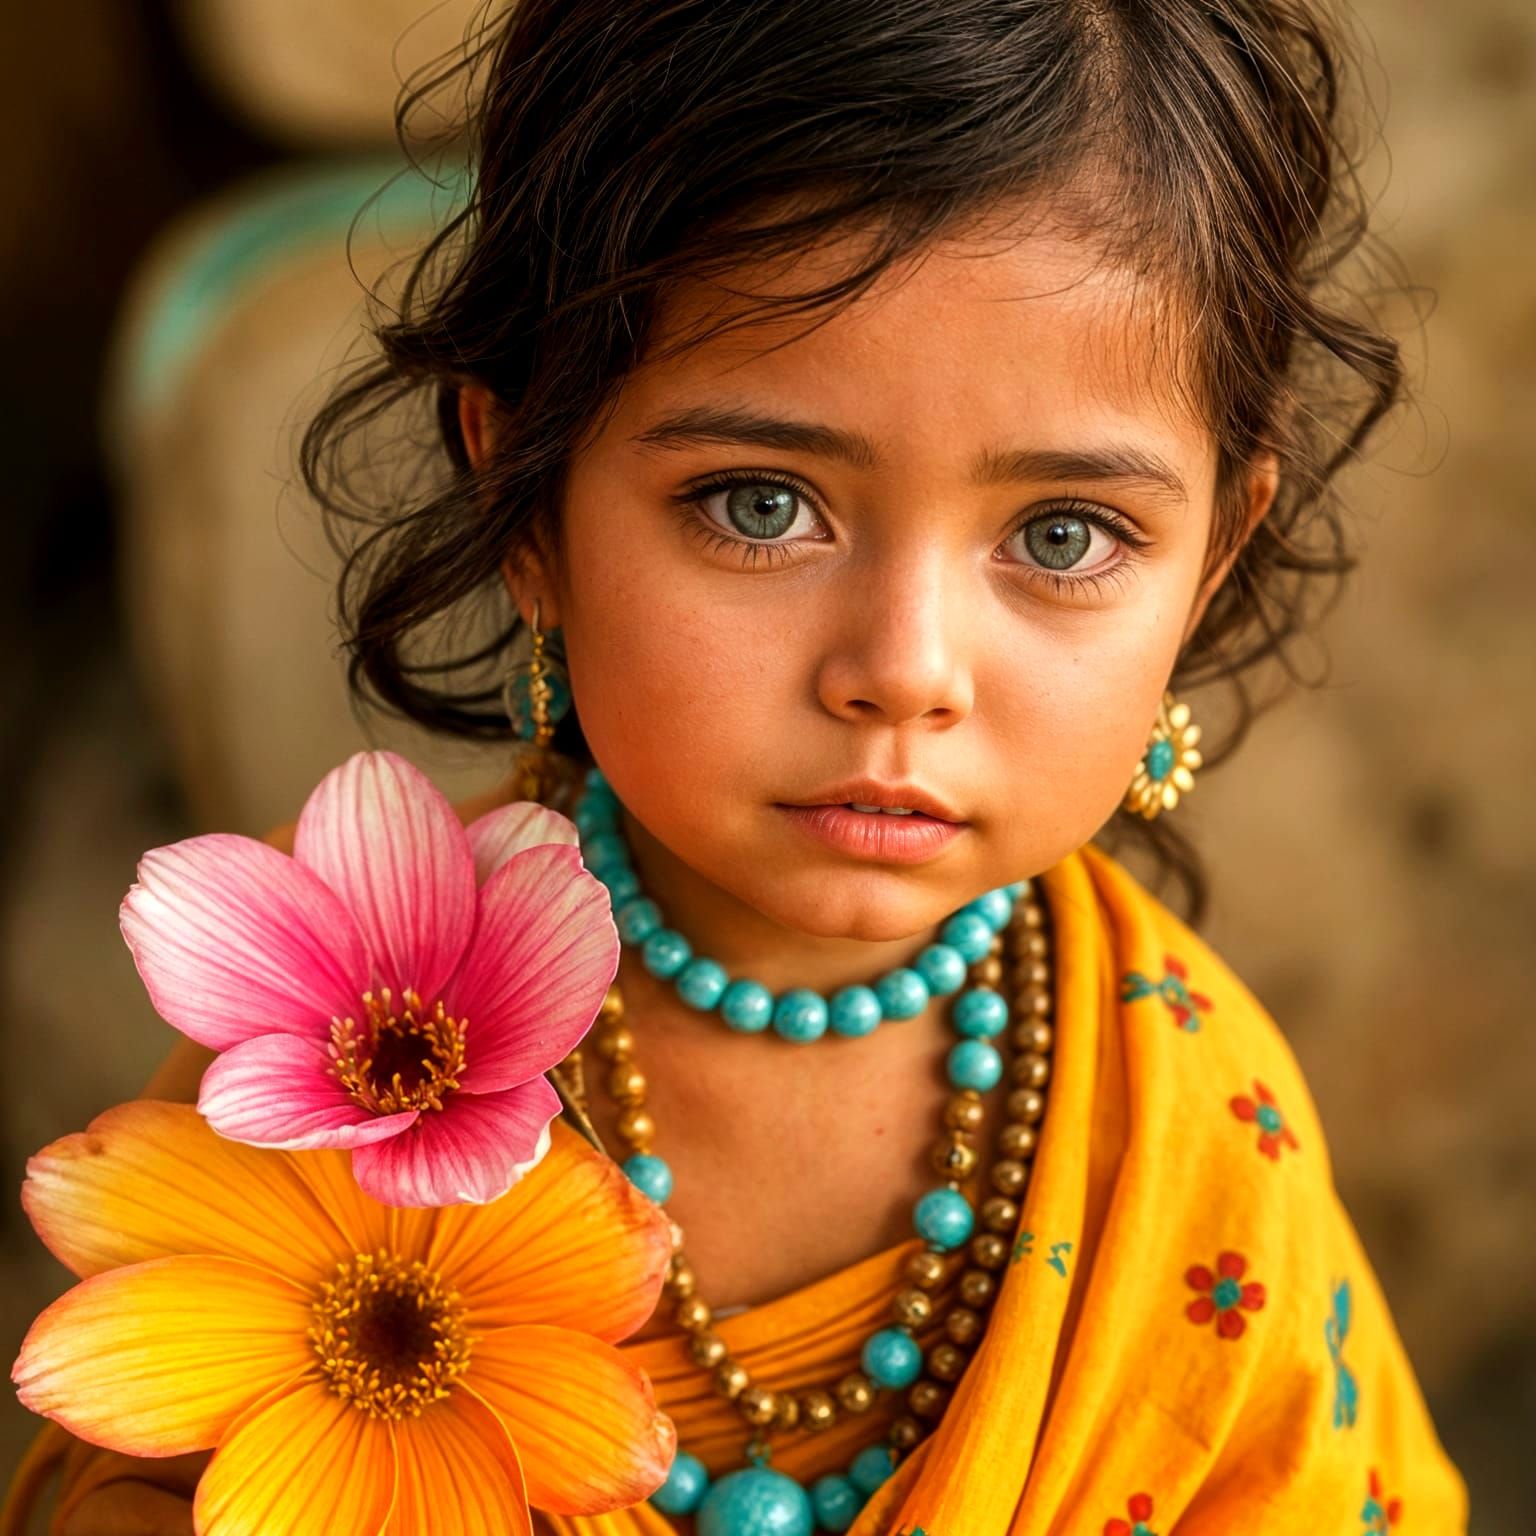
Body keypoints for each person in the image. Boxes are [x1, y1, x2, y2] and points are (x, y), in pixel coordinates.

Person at [6, 1, 1468, 1532]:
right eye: (761, 506)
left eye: (1062, 537)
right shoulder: (356, 1034)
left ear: (1213, 558)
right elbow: (132, 1464)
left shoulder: (1186, 1128)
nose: (903, 668)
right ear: (526, 498)